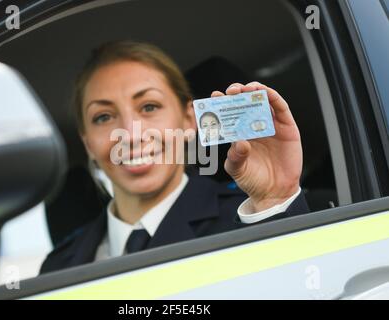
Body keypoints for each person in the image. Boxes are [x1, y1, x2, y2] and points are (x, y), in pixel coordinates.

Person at [40, 41, 309, 274]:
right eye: (104, 117)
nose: (131, 135)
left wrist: (275, 200)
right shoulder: (58, 267)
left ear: (189, 121)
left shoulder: (252, 219)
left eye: (149, 107)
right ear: (88, 143)